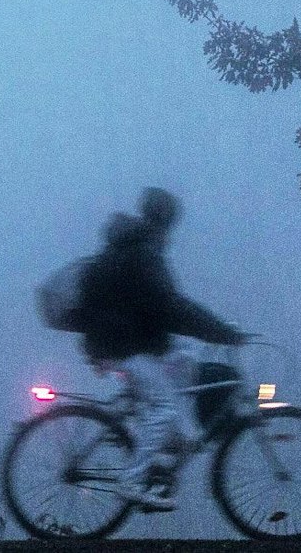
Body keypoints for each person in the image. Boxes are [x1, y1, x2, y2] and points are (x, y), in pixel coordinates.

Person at [72, 187, 245, 510]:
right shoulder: (143, 254)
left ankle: (164, 462)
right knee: (165, 408)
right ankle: (132, 480)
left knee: (184, 363)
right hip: (124, 346)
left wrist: (210, 331)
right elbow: (171, 307)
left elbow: (161, 308)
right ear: (165, 221)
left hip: (123, 341)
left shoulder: (133, 248)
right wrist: (221, 332)